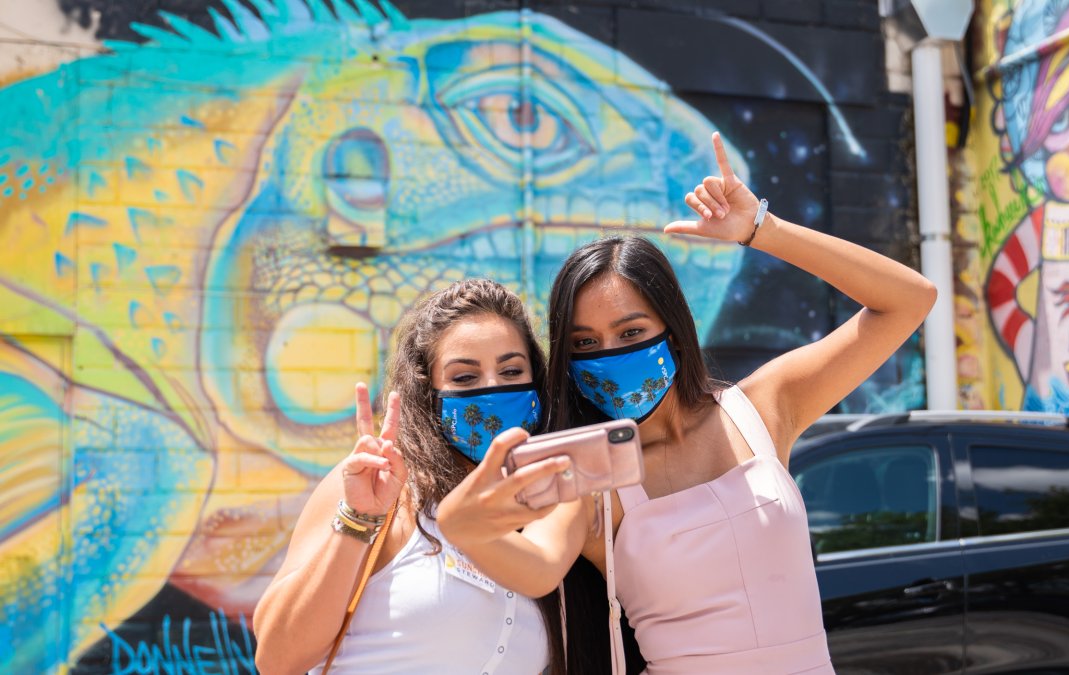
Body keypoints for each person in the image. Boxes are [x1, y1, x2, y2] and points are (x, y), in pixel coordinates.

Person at [437, 131, 937, 673]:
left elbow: (909, 301)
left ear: (673, 330)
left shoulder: (763, 407)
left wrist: (760, 230)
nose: (609, 356)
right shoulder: (590, 474)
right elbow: (537, 568)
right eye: (585, 344)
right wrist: (464, 525)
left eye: (631, 333)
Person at [253, 279, 573, 674]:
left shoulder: (549, 507)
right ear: (428, 391)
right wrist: (358, 519)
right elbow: (276, 658)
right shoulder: (381, 487)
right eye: (464, 378)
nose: (493, 388)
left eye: (511, 370)